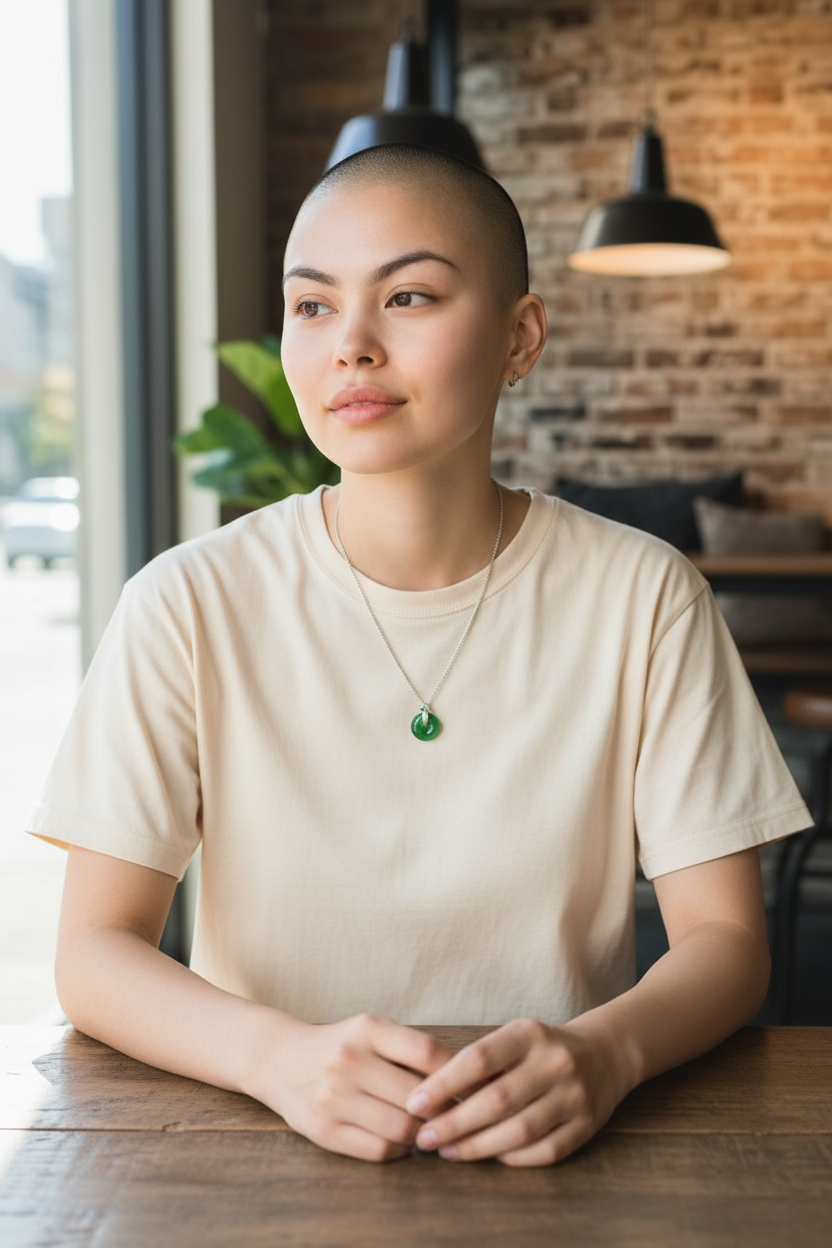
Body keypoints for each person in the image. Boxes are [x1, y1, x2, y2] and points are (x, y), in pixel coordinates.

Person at [31, 144, 810, 1168]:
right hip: (253, 1150)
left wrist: (603, 1054)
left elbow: (726, 943)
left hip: (553, 1152)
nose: (349, 345)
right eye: (311, 306)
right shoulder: (185, 602)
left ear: (519, 336)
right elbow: (93, 954)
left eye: (407, 296)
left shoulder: (644, 594)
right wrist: (279, 1060)